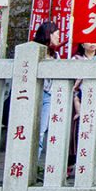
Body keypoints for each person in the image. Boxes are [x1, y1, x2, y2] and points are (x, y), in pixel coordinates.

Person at [32, 21, 61, 157]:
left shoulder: (55, 55)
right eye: (56, 35)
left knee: (41, 130)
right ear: (48, 35)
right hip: (32, 93)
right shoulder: (34, 51)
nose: (58, 38)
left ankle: (34, 161)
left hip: (48, 95)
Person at [72, 42, 96, 116]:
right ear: (82, 44)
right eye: (89, 41)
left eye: (94, 41)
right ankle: (79, 113)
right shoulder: (76, 58)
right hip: (83, 90)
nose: (92, 43)